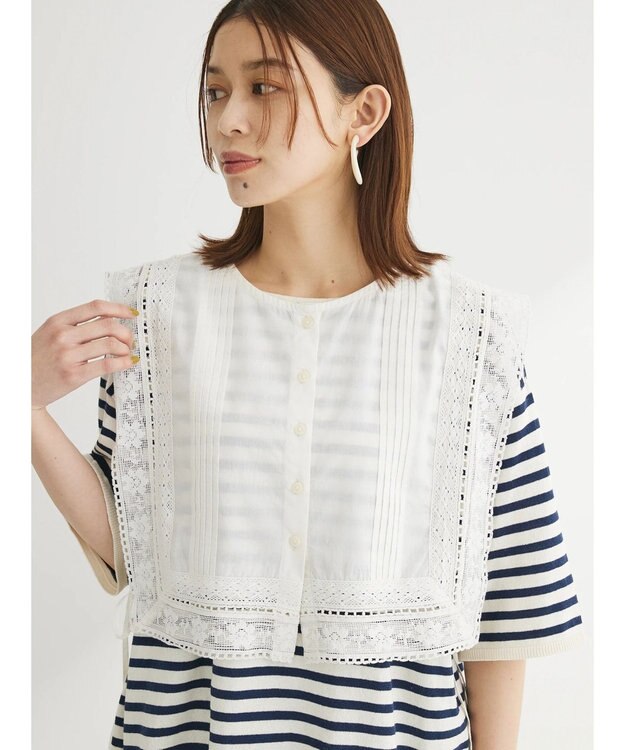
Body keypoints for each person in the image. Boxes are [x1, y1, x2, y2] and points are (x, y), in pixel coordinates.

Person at [31, 1, 585, 748]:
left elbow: (508, 604)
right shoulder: (152, 315)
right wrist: (20, 405)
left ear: (364, 113)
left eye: (264, 87)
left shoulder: (470, 335)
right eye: (215, 90)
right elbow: (130, 551)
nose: (227, 120)